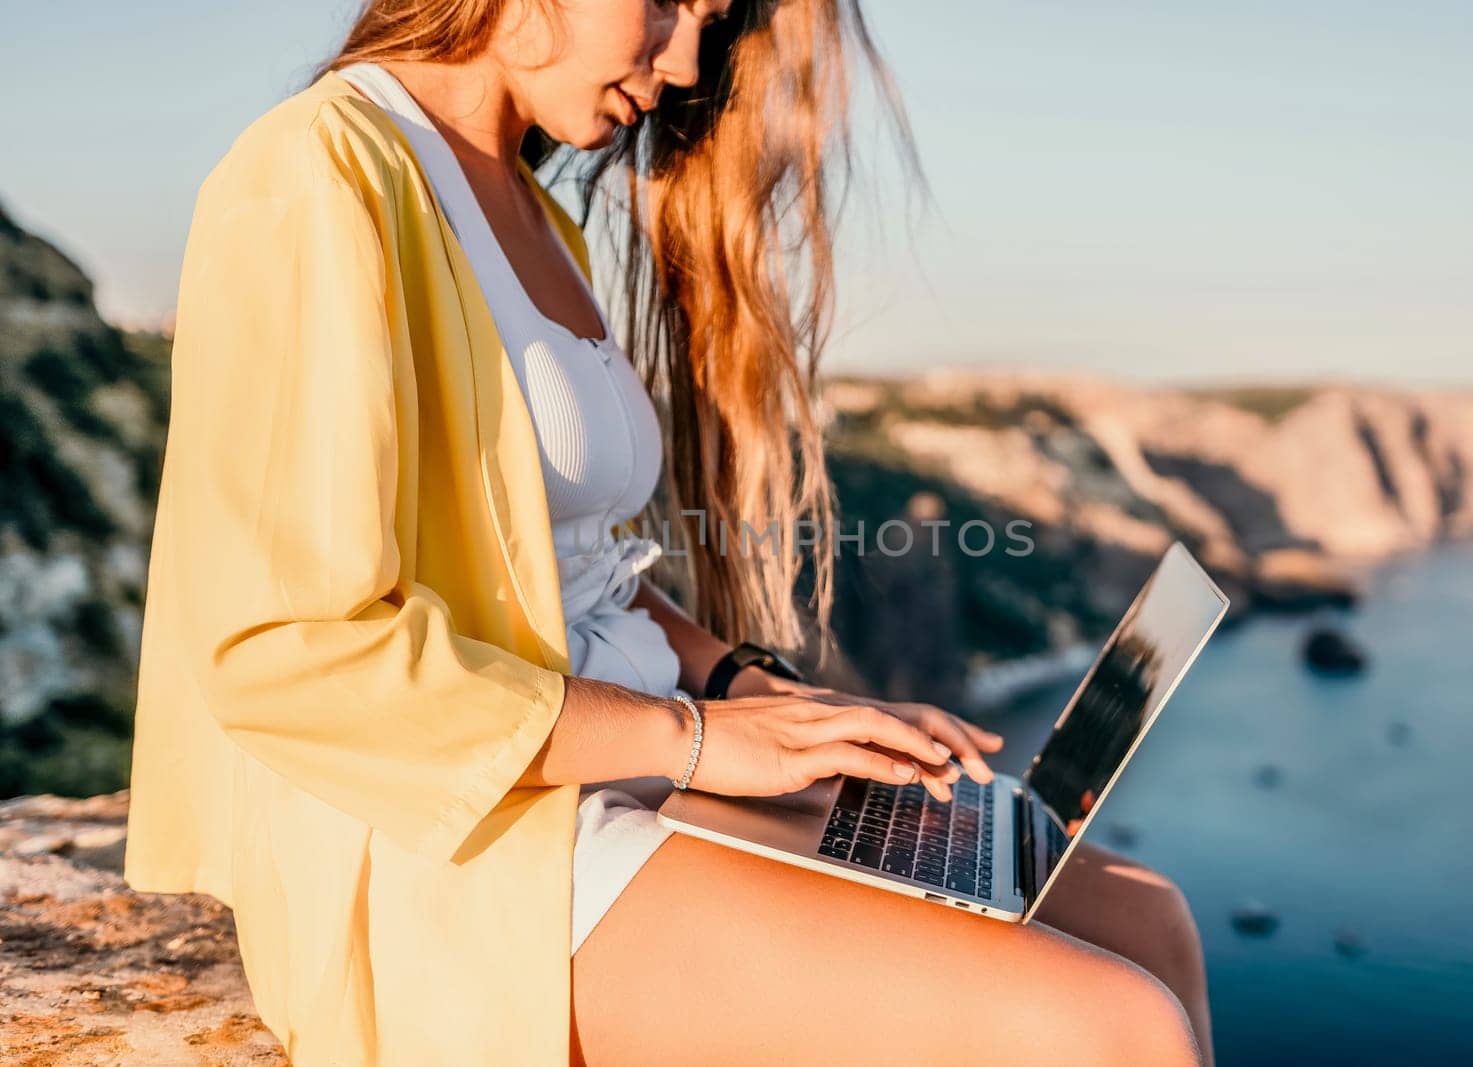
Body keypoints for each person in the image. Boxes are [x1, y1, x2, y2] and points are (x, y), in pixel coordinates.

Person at [124, 1, 1211, 1064]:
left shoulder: (535, 215)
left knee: (1148, 916)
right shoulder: (319, 171)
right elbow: (288, 651)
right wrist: (695, 739)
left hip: (625, 759)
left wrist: (756, 692)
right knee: (1113, 1026)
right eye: (664, 4)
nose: (687, 63)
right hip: (465, 839)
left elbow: (578, 566)